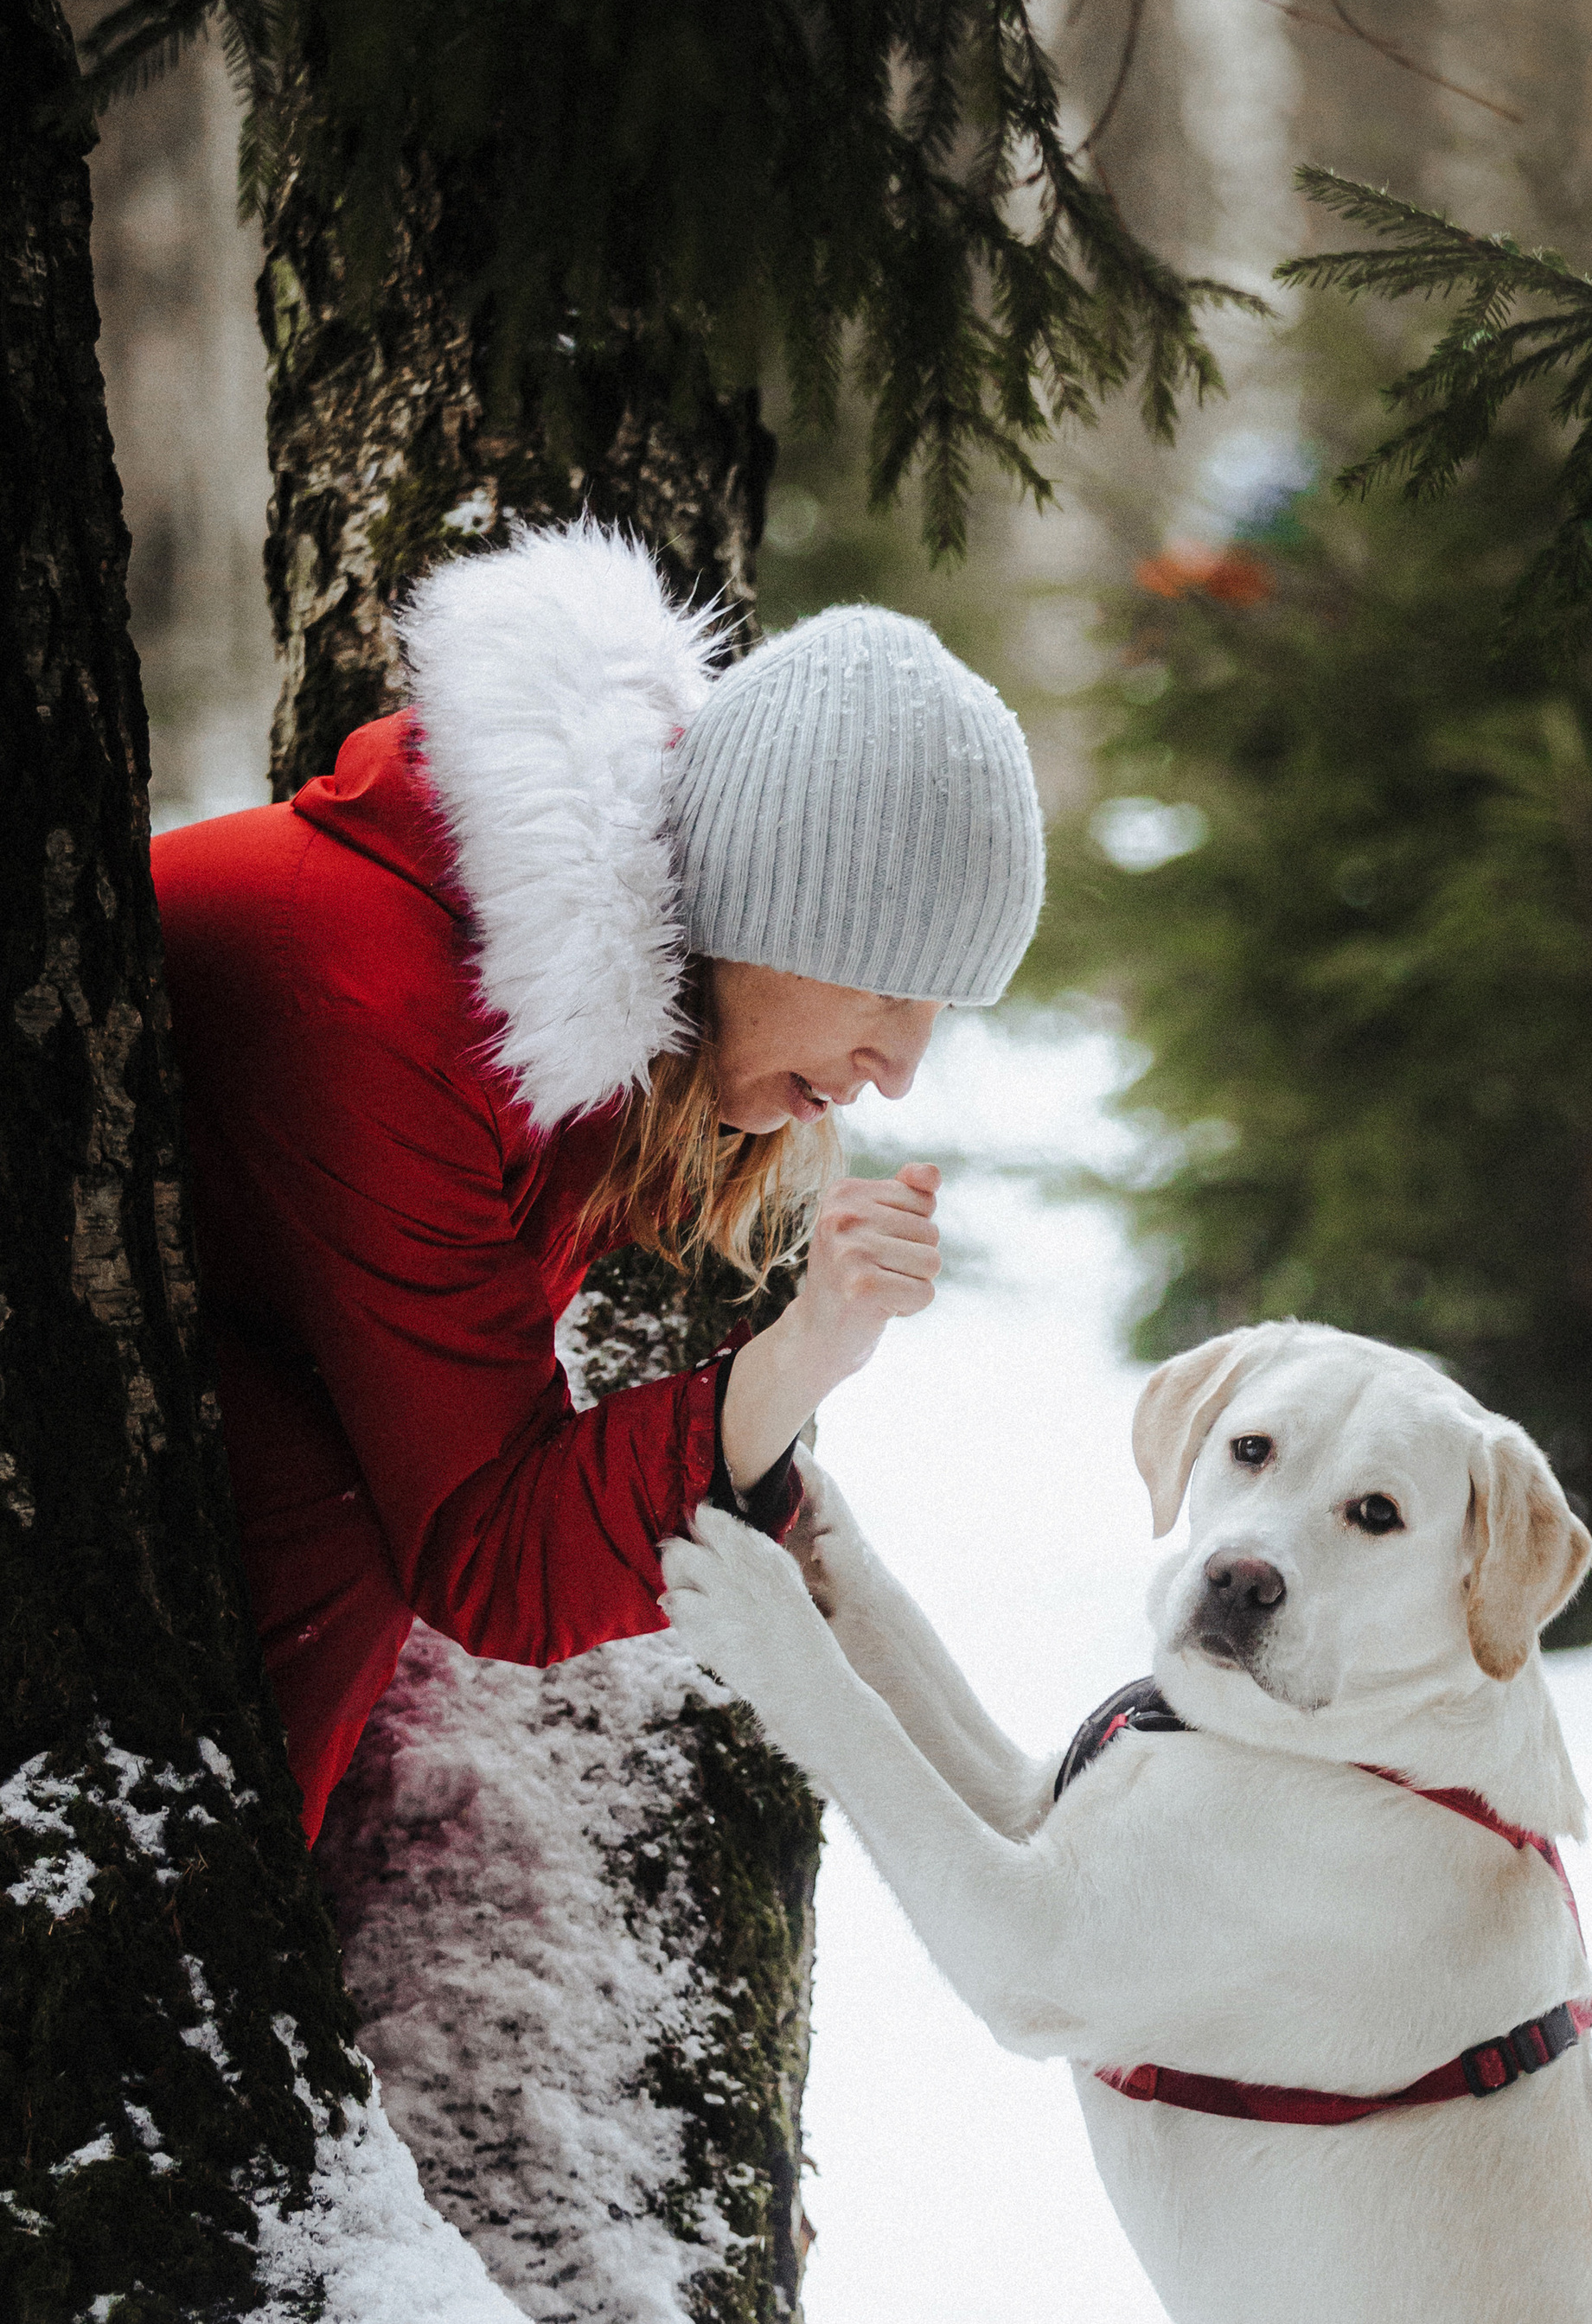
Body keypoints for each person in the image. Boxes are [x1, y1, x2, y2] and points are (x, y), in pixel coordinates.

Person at [152, 520, 1045, 1845]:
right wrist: (797, 1358)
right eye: (886, 984)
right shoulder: (377, 996)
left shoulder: (568, 1052)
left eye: (942, 1010)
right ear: (757, 907)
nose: (900, 1067)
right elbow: (488, 1551)